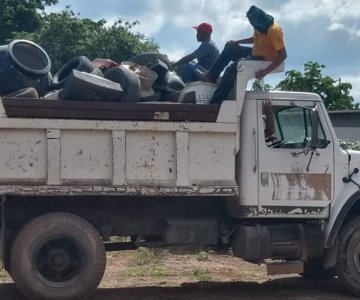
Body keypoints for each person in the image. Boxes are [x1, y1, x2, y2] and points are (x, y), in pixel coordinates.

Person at [196, 5, 287, 103]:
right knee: (230, 48)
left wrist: (265, 71)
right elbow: (254, 39)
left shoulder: (274, 31)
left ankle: (216, 101)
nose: (252, 25)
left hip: (265, 59)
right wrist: (236, 42)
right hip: (255, 52)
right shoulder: (259, 25)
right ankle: (211, 76)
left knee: (233, 68)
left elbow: (283, 55)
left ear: (256, 20)